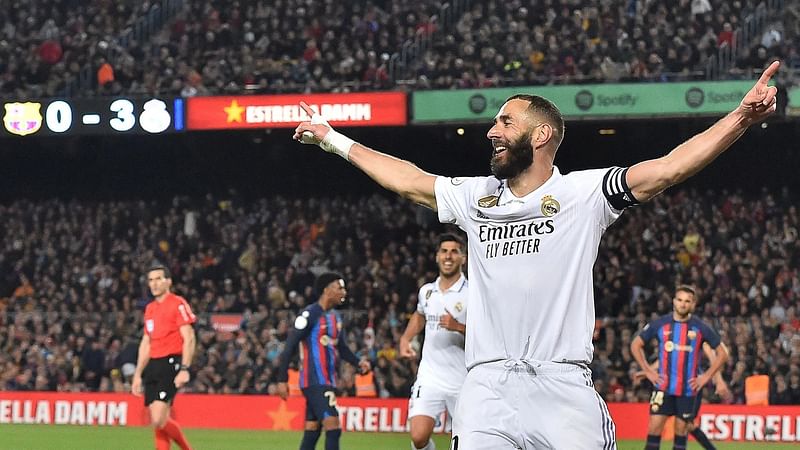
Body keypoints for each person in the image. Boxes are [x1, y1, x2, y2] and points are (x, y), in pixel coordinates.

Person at [292, 61, 779, 449]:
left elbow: (669, 168)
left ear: (540, 135)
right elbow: (411, 180)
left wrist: (741, 117)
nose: (492, 131)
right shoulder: (475, 196)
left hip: (563, 387)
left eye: (506, 121)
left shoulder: (585, 194)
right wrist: (334, 139)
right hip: (485, 389)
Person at [277, 273, 371, 450]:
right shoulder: (309, 314)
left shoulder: (336, 317)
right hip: (314, 381)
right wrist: (282, 379)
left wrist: (358, 362)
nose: (344, 292)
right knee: (333, 426)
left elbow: (341, 348)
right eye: (339, 288)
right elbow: (290, 345)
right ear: (326, 290)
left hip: (329, 380)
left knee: (312, 430)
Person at [631, 286, 729, 450]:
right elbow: (636, 344)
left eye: (687, 301)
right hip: (663, 386)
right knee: (654, 427)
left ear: (693, 304)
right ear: (674, 302)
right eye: (680, 300)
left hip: (687, 390)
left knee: (681, 430)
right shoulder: (661, 324)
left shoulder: (700, 327)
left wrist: (706, 377)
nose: (683, 304)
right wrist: (648, 371)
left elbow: (722, 353)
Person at [399, 233, 469, 450]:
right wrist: (405, 339)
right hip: (430, 376)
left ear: (463, 258)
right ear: (437, 256)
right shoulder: (427, 291)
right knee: (419, 438)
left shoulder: (473, 293)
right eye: (444, 251)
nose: (448, 256)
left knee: (465, 442)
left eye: (454, 251)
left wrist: (458, 327)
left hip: (463, 380)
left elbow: (489, 334)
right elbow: (420, 315)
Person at [131, 263, 196, 450]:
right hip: (153, 364)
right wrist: (137, 374)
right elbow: (146, 342)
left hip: (170, 362)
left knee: (159, 418)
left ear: (168, 281)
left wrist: (184, 368)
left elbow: (189, 337)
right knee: (158, 422)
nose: (154, 284)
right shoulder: (150, 309)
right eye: (151, 280)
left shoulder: (177, 304)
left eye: (158, 279)